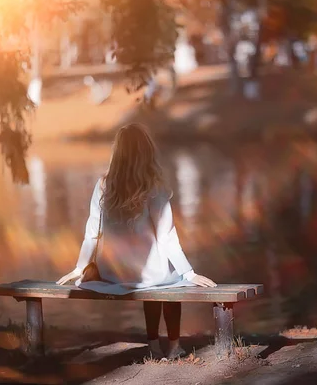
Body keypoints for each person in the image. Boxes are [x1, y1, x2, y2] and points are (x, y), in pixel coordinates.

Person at [56, 123, 217, 360]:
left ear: (117, 152)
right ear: (147, 153)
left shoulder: (103, 184)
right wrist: (189, 272)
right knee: (171, 278)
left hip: (115, 273)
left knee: (152, 277)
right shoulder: (154, 186)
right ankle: (173, 347)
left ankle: (153, 345)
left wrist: (80, 267)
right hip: (147, 274)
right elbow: (166, 235)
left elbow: (92, 231)